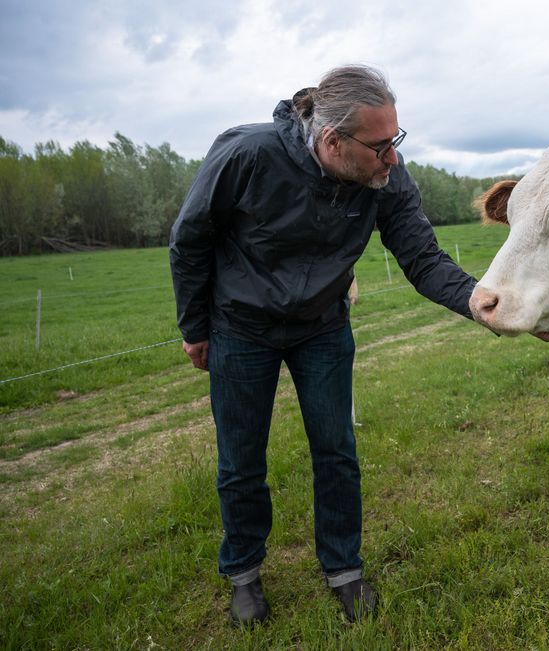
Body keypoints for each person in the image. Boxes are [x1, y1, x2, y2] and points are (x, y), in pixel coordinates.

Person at [168, 65, 480, 625]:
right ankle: (242, 574)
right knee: (241, 460)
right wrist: (195, 328)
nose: (392, 158)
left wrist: (487, 304)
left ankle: (344, 570)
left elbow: (423, 258)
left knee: (336, 450)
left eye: (396, 141)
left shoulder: (386, 176)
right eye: (381, 146)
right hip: (241, 327)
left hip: (323, 327)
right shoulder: (247, 155)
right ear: (332, 141)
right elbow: (189, 239)